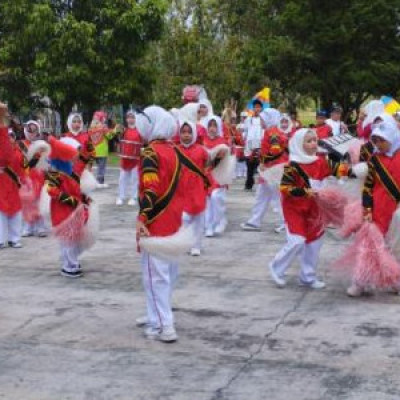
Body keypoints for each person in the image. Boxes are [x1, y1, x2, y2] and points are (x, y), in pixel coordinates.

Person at [268, 128, 351, 289]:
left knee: (315, 242)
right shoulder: (292, 166)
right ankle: (276, 267)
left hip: (314, 208)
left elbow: (339, 169)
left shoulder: (321, 161)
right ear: (300, 144)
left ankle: (307, 277)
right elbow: (285, 188)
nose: (314, 143)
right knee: (297, 241)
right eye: (309, 141)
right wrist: (305, 191)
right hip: (294, 209)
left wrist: (357, 171)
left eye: (315, 140)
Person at [135, 106, 186, 343]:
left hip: (155, 222)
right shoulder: (175, 151)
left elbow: (151, 188)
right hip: (174, 220)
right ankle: (153, 315)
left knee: (154, 277)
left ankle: (162, 326)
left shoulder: (150, 153)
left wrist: (142, 218)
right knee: (166, 274)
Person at [347, 117, 400, 297]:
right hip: (378, 209)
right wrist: (367, 210)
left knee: (395, 246)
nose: (378, 144)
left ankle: (395, 280)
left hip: (397, 210)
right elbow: (368, 188)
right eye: (375, 140)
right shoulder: (374, 160)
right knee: (369, 246)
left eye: (382, 140)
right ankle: (360, 281)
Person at [241, 114, 289, 232]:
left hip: (273, 170)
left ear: (268, 119)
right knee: (261, 195)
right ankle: (254, 221)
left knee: (277, 197)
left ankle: (286, 223)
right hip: (271, 169)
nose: (260, 121)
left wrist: (264, 162)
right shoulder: (273, 131)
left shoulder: (272, 132)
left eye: (262, 119)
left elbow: (275, 150)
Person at [178, 120, 210, 256]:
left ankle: (196, 245)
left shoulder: (201, 150)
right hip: (181, 190)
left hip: (198, 189)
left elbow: (208, 168)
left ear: (194, 134)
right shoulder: (176, 150)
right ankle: (185, 243)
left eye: (189, 132)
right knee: (183, 219)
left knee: (198, 219)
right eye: (183, 132)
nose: (186, 135)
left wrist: (208, 187)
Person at [0, 103, 25, 249]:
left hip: (11, 182)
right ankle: (1, 239)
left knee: (15, 210)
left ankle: (14, 238)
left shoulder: (16, 153)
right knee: (1, 210)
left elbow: (22, 168)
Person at [20, 120, 48, 238]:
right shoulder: (20, 144)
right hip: (26, 177)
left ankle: (40, 226)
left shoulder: (41, 145)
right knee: (28, 203)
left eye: (34, 130)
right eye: (29, 130)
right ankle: (28, 226)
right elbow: (25, 163)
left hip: (39, 177)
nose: (32, 133)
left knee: (39, 202)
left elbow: (46, 161)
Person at [203, 115, 229, 237]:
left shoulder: (222, 141)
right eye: (210, 125)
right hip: (206, 175)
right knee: (207, 201)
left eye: (214, 126)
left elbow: (224, 159)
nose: (212, 128)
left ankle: (220, 221)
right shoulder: (202, 140)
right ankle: (209, 226)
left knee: (215, 198)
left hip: (219, 175)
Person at [90, 111, 121, 188]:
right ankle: (100, 182)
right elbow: (109, 136)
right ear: (102, 118)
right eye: (104, 117)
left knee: (96, 167)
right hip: (102, 151)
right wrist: (115, 130)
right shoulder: (103, 127)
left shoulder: (91, 127)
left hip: (94, 150)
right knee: (101, 167)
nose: (105, 119)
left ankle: (93, 181)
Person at [116, 110, 141, 206]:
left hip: (135, 160)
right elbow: (118, 139)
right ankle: (121, 196)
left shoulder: (140, 130)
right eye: (129, 117)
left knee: (135, 179)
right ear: (126, 119)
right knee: (122, 179)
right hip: (125, 159)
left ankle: (133, 197)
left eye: (133, 117)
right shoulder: (123, 130)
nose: (131, 120)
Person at [243, 99, 264, 190]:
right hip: (250, 145)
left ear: (261, 108)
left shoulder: (263, 119)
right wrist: (244, 140)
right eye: (255, 107)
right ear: (253, 108)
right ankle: (249, 183)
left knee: (261, 165)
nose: (257, 109)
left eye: (258, 107)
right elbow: (245, 131)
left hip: (261, 144)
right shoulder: (248, 119)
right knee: (250, 165)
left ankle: (262, 185)